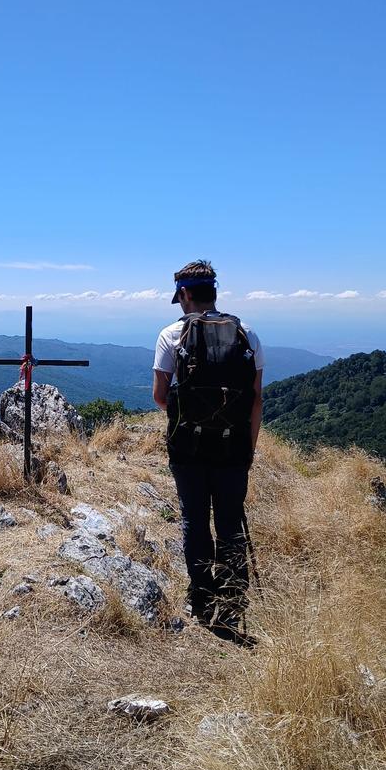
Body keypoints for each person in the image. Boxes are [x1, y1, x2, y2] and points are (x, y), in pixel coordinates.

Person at [152, 260, 264, 644]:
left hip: (189, 448)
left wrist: (191, 418)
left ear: (185, 294)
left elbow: (160, 397)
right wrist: (247, 449)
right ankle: (233, 597)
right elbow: (255, 400)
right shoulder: (246, 333)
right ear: (214, 292)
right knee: (231, 522)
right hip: (234, 448)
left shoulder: (172, 334)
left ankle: (202, 598)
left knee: (195, 520)